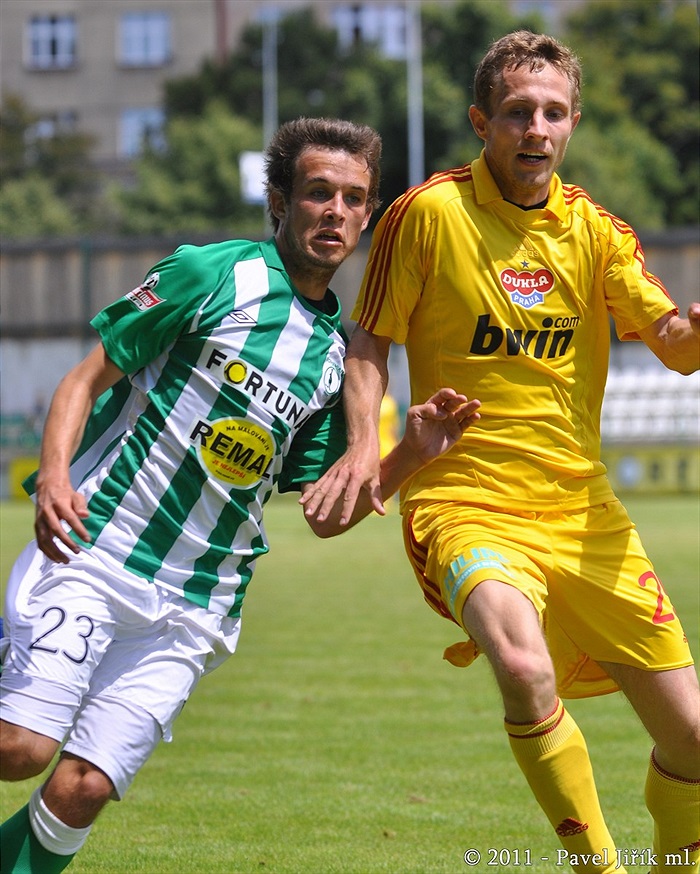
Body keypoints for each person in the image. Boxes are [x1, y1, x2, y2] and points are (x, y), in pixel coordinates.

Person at [0, 115, 481, 874]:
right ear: (280, 202)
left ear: (367, 212)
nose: (336, 212)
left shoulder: (338, 358)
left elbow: (326, 513)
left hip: (197, 605)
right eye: (318, 193)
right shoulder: (215, 273)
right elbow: (86, 377)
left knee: (84, 786)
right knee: (21, 748)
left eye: (354, 199)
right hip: (99, 548)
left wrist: (410, 455)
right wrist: (55, 475)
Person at [302, 33, 700, 874]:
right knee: (521, 665)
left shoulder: (597, 231)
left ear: (573, 123)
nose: (537, 128)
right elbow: (369, 340)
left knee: (694, 740)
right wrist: (360, 450)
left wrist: (693, 329)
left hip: (584, 512)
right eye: (518, 112)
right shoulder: (429, 214)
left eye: (554, 113)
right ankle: (597, 867)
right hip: (465, 500)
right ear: (483, 122)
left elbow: (673, 343)